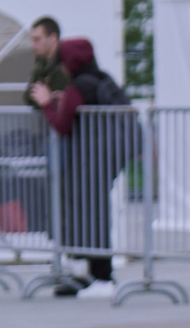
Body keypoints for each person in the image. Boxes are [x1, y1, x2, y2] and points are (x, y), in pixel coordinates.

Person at [26, 34, 131, 297]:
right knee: (93, 213)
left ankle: (102, 277)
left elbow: (61, 125)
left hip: (90, 160)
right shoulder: (101, 79)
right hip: (104, 156)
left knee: (90, 214)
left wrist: (47, 103)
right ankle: (96, 274)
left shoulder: (78, 87)